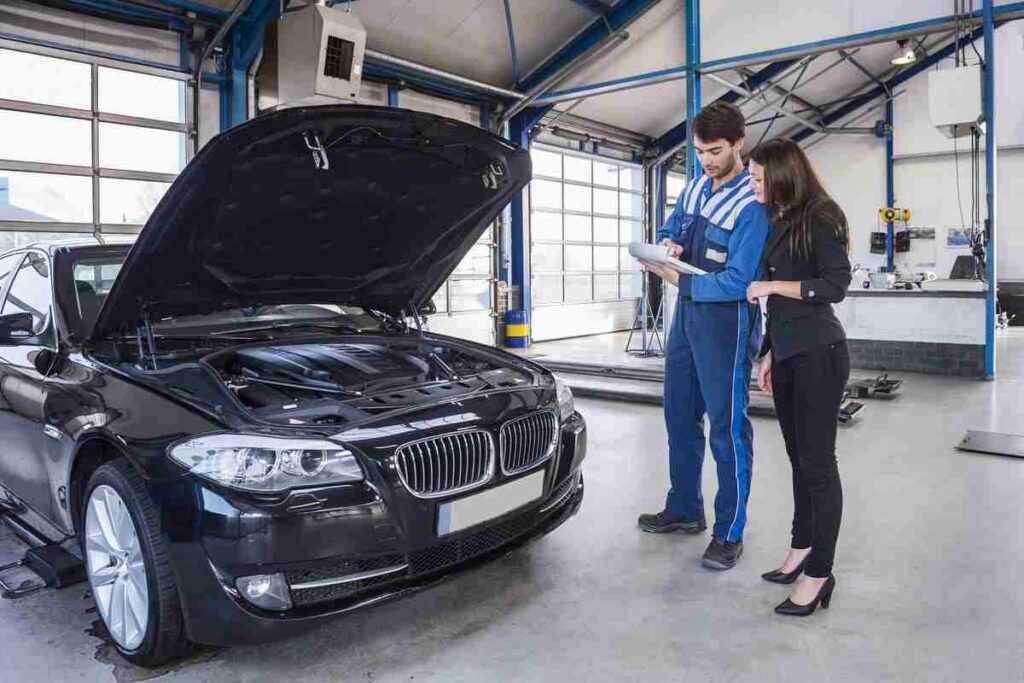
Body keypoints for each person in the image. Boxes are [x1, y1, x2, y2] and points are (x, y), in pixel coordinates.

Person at [638, 102, 769, 571]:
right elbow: (672, 229)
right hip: (687, 318)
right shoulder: (693, 189)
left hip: (727, 324)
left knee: (727, 428)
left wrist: (677, 280)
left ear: (738, 143)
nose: (706, 161)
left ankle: (729, 531)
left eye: (715, 151)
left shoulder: (753, 205)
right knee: (678, 414)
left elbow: (738, 280)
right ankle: (684, 507)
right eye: (698, 152)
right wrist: (666, 244)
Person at [745, 138, 852, 616]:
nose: (752, 185)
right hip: (788, 352)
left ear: (784, 174)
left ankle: (820, 573)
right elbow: (782, 309)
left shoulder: (822, 216)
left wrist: (769, 285)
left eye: (758, 178)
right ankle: (800, 548)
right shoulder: (782, 217)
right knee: (797, 460)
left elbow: (836, 285)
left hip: (819, 354)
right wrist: (769, 352)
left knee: (818, 465)